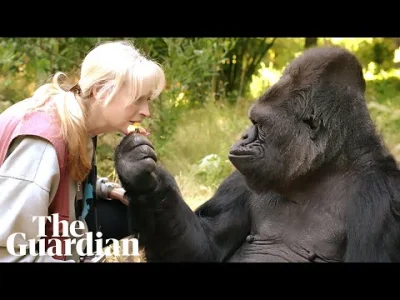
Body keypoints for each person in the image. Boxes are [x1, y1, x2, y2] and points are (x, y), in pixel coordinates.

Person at [0, 40, 166, 262]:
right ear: (100, 91)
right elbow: (8, 252)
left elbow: (59, 178)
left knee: (136, 211)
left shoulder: (76, 119)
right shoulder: (42, 145)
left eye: (147, 100)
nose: (146, 111)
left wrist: (105, 189)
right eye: (138, 100)